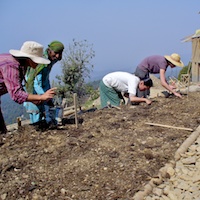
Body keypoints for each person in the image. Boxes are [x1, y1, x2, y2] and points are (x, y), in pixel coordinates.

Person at [0, 41, 57, 134]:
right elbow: (16, 94)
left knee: (2, 133)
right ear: (29, 59)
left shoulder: (21, 65)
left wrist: (33, 99)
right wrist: (41, 97)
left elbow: (17, 86)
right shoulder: (11, 65)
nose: (38, 63)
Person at [24, 41, 64, 129]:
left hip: (43, 90)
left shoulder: (51, 60)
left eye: (60, 53)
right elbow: (36, 83)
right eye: (56, 53)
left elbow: (45, 79)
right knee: (36, 117)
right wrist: (44, 96)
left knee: (46, 114)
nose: (57, 56)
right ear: (49, 51)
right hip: (34, 91)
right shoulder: (41, 62)